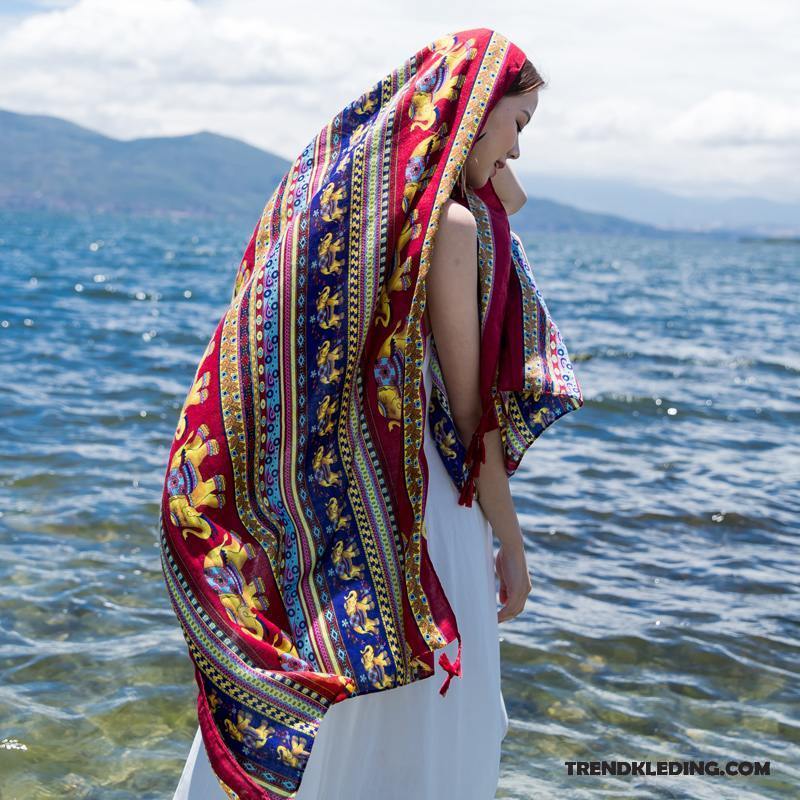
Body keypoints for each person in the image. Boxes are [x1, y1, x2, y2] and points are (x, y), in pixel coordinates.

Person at [163, 27, 584, 800]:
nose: (518, 154)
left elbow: (500, 197)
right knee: (421, 733)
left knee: (347, 688)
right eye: (518, 125)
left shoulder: (386, 218)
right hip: (428, 512)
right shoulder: (452, 230)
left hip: (357, 505)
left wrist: (479, 152)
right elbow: (470, 420)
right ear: (475, 108)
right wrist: (513, 547)